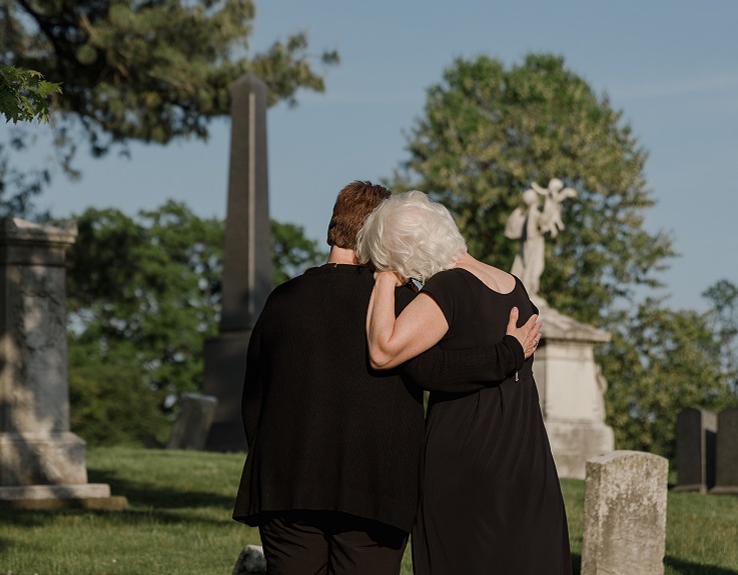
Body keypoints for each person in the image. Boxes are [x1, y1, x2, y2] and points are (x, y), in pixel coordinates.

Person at [232, 181, 542, 575]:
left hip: (284, 484)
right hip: (373, 490)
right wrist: (509, 353)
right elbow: (434, 371)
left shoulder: (282, 298)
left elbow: (253, 396)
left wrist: (269, 463)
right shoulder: (398, 301)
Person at [357, 190, 572, 575]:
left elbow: (383, 350)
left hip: (468, 460)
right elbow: (438, 365)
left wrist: (385, 281)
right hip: (527, 458)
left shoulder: (450, 288)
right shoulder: (515, 287)